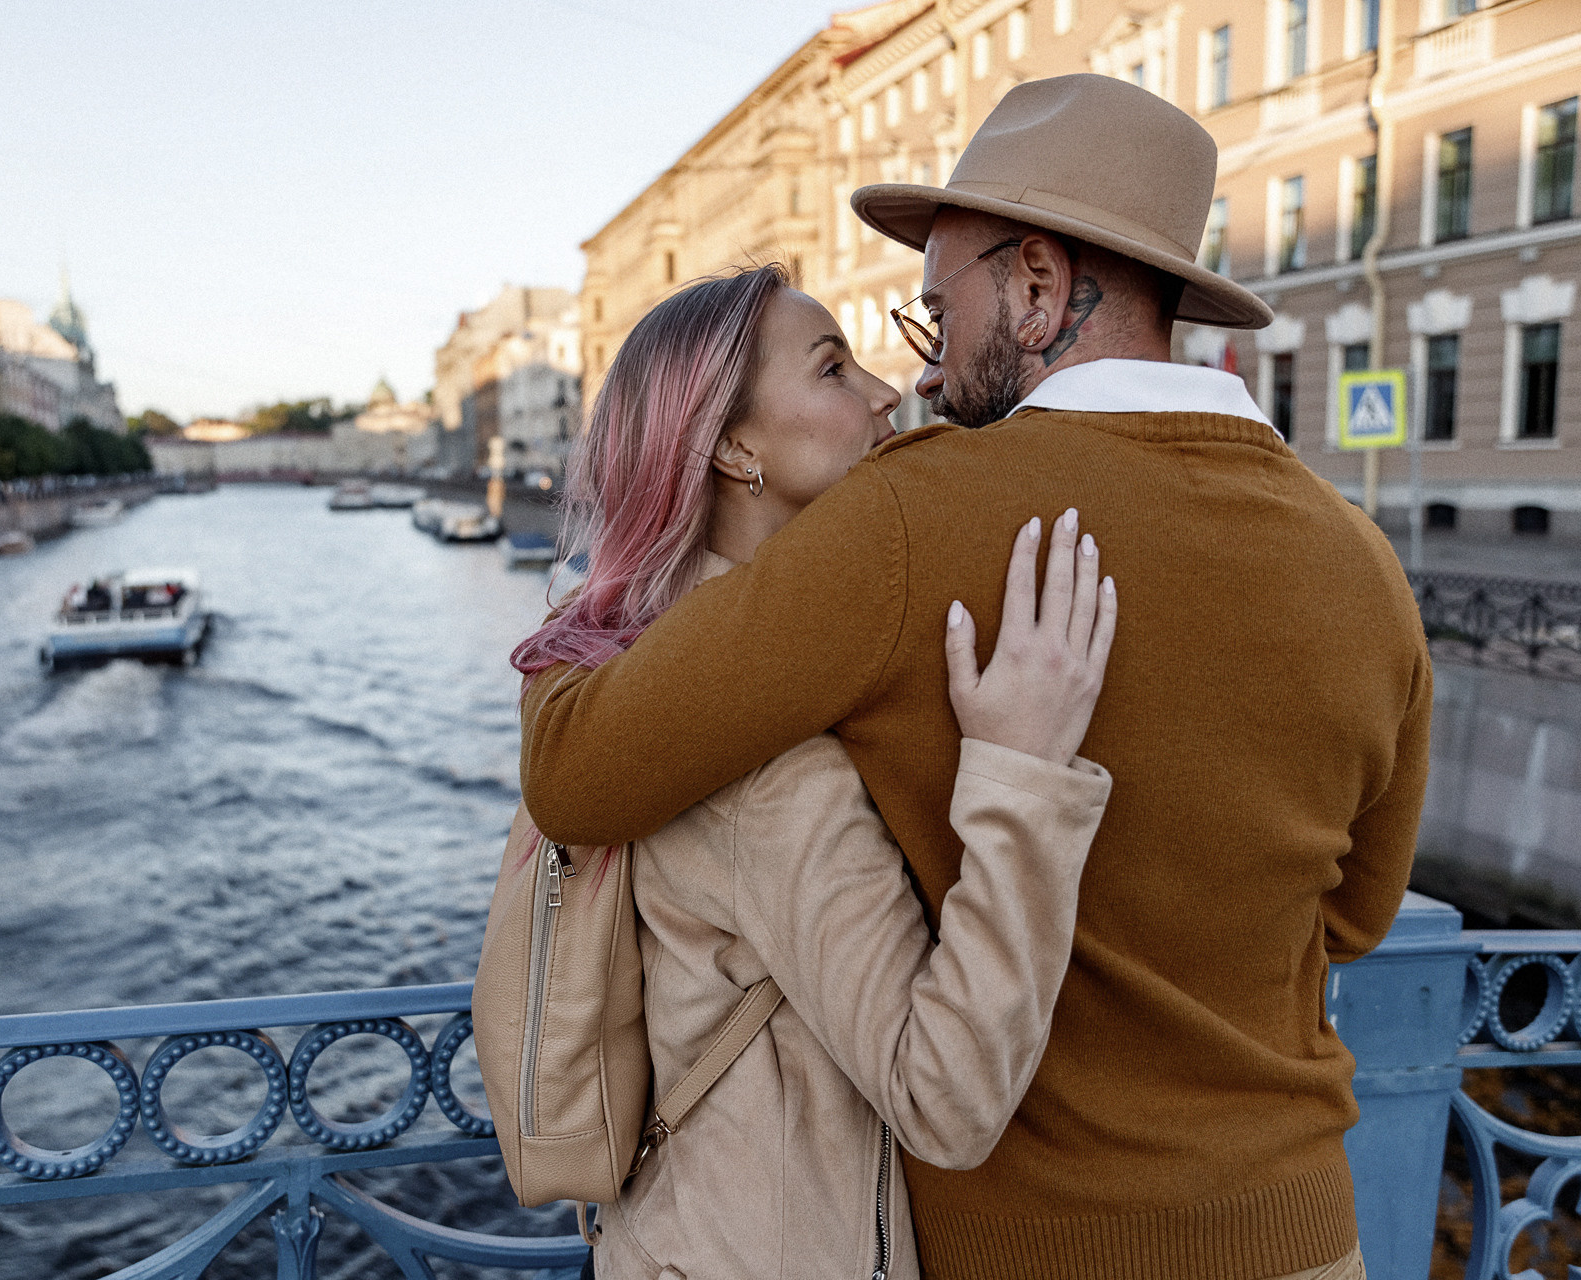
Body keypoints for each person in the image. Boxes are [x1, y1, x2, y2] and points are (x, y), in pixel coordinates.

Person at [519, 75, 1428, 1280]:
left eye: (936, 317)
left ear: (1040, 285)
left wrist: (579, 623)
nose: (925, 372)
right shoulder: (1364, 558)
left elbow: (579, 771)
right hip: (1307, 1234)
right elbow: (1359, 913)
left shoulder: (914, 515)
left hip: (1028, 1242)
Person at [511, 264, 1116, 1279]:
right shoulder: (756, 757)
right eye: (834, 367)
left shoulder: (674, 674)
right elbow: (950, 1096)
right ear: (733, 444)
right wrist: (1023, 776)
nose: (886, 392)